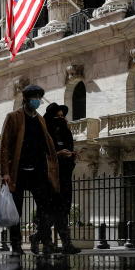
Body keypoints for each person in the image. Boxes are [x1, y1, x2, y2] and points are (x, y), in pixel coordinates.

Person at [0, 85, 60, 255]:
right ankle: (16, 246)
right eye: (34, 98)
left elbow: (46, 144)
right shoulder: (13, 117)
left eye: (39, 98)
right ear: (25, 99)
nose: (37, 101)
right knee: (16, 210)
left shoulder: (40, 119)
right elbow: (4, 146)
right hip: (18, 171)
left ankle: (46, 242)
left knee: (45, 207)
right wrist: (5, 172)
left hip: (38, 171)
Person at [38, 102, 80, 254]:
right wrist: (58, 154)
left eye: (63, 116)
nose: (61, 118)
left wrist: (72, 156)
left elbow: (69, 147)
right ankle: (48, 241)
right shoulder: (44, 132)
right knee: (53, 209)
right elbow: (40, 155)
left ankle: (60, 242)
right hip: (50, 176)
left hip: (64, 175)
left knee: (61, 209)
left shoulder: (65, 132)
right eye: (58, 116)